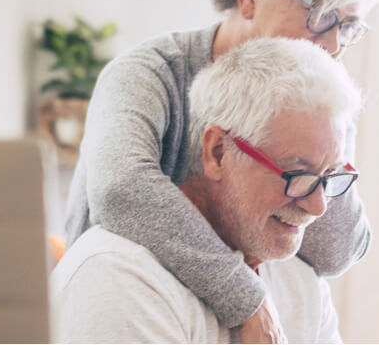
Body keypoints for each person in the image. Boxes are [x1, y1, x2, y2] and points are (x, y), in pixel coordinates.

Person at [62, 0, 379, 341]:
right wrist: (247, 298)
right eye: (321, 14)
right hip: (123, 310)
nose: (334, 45)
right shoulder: (149, 74)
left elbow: (336, 249)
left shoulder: (320, 93)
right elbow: (120, 190)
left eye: (349, 25)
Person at [53, 37, 359, 343]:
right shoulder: (120, 278)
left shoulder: (300, 280)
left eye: (330, 174)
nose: (318, 206)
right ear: (217, 153)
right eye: (298, 172)